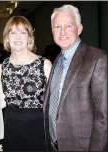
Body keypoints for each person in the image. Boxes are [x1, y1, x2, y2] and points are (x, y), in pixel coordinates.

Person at [43, 4, 107, 151]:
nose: (62, 32)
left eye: (68, 26)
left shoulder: (98, 59)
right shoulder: (57, 60)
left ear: (79, 29)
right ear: (52, 31)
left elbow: (104, 118)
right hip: (54, 146)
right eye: (57, 27)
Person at [0, 16, 52, 151]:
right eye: (13, 33)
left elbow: (53, 105)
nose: (18, 37)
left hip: (39, 131)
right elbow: (0, 103)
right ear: (7, 38)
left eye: (23, 32)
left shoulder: (44, 65)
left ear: (29, 37)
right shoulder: (1, 68)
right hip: (11, 130)